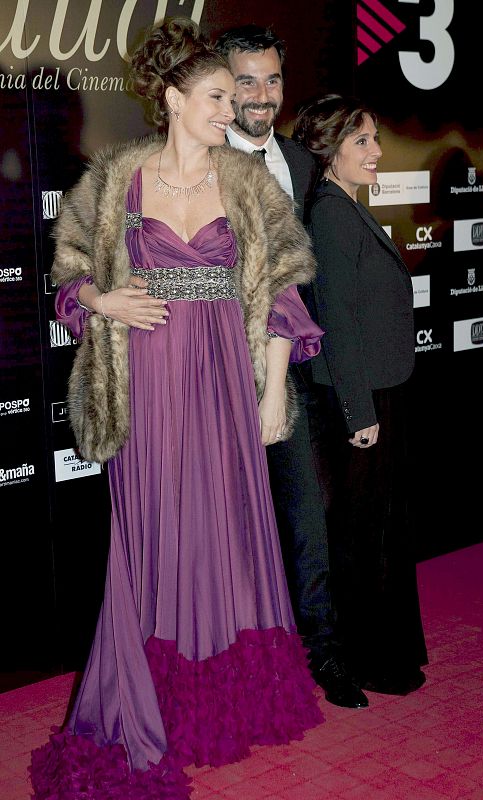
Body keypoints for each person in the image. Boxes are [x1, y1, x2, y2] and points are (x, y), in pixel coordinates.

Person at [29, 18, 325, 799]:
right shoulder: (115, 177)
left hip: (227, 378)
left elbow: (285, 296)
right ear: (172, 98)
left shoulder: (247, 183)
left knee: (225, 535)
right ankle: (145, 701)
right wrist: (102, 297)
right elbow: (64, 280)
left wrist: (272, 392)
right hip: (145, 386)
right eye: (219, 95)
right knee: (152, 536)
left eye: (236, 96)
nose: (233, 110)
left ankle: (216, 702)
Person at [214, 26, 368, 709]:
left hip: (297, 374)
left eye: (272, 80)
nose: (261, 95)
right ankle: (233, 666)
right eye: (245, 80)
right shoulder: (194, 163)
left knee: (310, 518)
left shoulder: (305, 167)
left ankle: (324, 655)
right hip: (215, 376)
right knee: (225, 532)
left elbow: (322, 281)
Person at [292, 94, 428, 696]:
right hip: (362, 397)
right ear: (329, 152)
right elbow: (337, 320)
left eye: (374, 139)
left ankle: (385, 649)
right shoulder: (329, 213)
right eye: (362, 142)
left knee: (381, 527)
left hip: (380, 387)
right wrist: (359, 411)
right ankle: (368, 657)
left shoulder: (346, 206)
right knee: (361, 532)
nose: (377, 152)